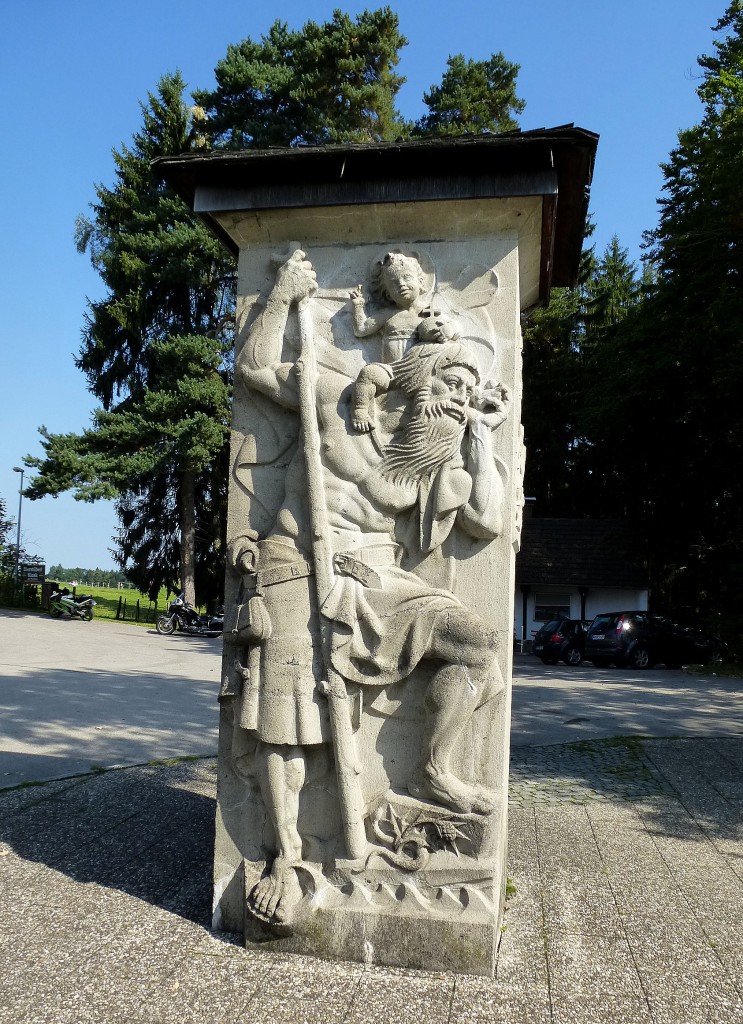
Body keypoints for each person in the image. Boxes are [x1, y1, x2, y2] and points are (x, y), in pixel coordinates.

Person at [230, 250, 509, 927]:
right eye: (450, 387)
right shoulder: (331, 392)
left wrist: (478, 441)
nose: (455, 401)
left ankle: (432, 772)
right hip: (295, 559)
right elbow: (253, 369)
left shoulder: (431, 457)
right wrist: (280, 297)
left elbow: (488, 521)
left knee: (475, 650)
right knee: (287, 724)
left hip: (378, 575)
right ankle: (287, 856)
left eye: (467, 395)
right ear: (417, 375)